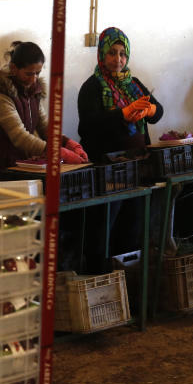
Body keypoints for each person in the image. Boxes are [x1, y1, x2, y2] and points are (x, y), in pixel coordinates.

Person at [77, 27, 163, 271]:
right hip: (107, 170)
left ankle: (128, 283)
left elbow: (158, 113)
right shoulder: (91, 87)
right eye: (112, 53)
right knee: (105, 227)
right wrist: (122, 115)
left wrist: (150, 110)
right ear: (102, 55)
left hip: (136, 166)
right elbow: (88, 127)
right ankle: (103, 278)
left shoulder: (133, 84)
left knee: (133, 226)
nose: (118, 59)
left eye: (122, 54)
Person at [0, 41, 87, 182]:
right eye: (29, 74)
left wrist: (67, 143)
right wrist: (58, 152)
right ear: (14, 68)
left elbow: (45, 127)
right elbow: (20, 137)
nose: (34, 79)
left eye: (38, 73)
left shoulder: (33, 92)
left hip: (18, 169)